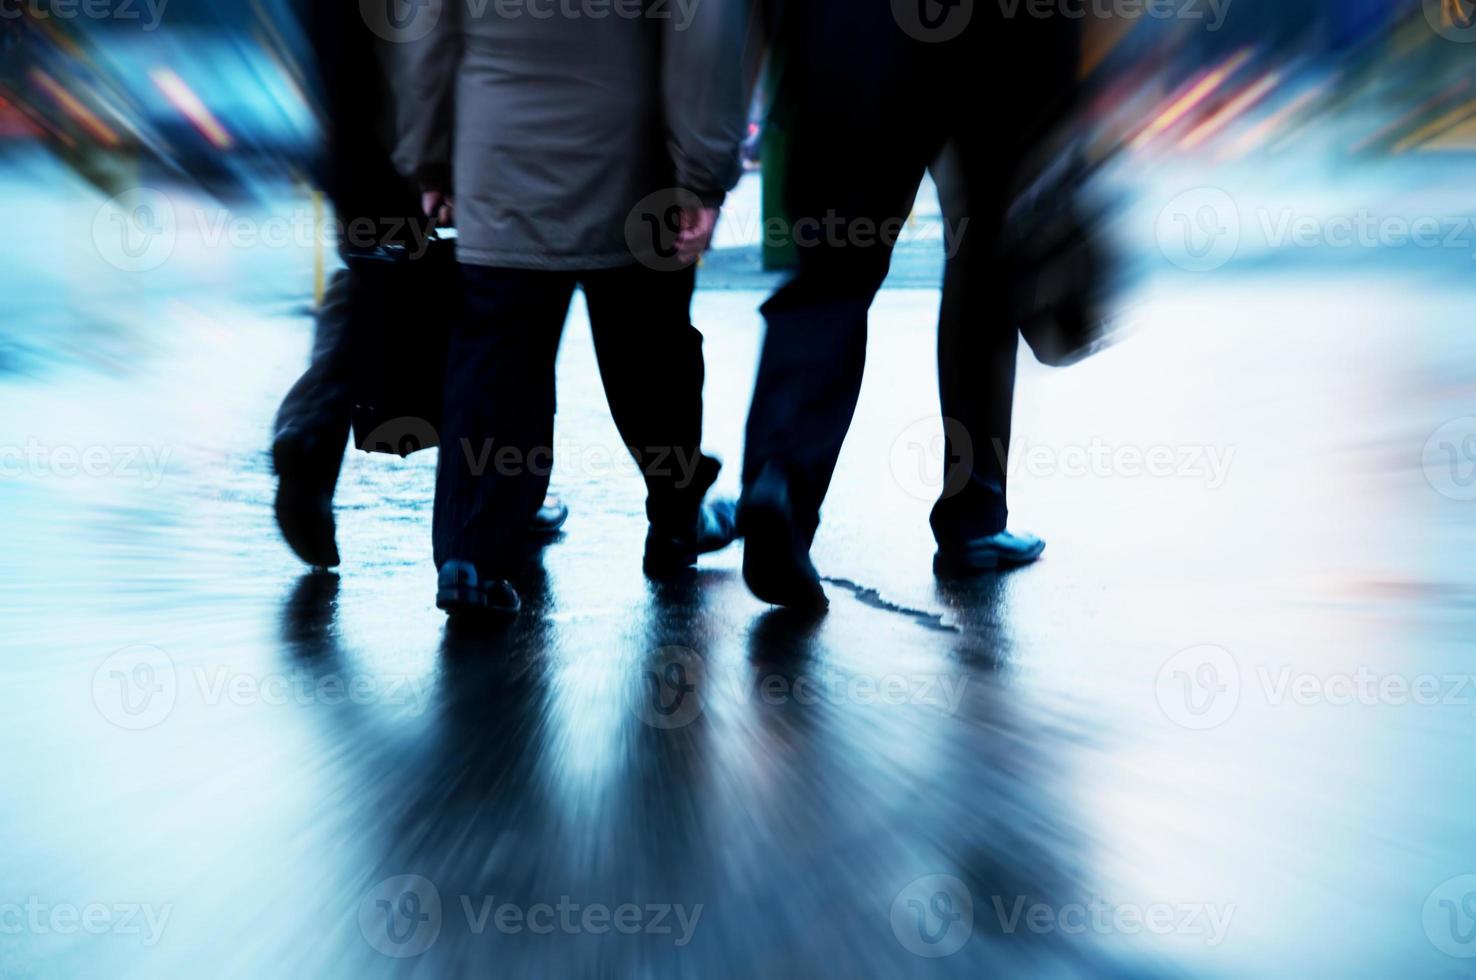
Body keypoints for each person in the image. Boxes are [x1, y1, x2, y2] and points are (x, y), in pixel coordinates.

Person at [400, 0, 757, 617]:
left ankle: (471, 557)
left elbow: (425, 32)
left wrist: (429, 156)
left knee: (494, 353)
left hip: (497, 155)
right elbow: (703, 33)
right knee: (651, 354)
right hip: (631, 157)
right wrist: (704, 172)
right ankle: (676, 521)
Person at [737, 0, 1080, 609]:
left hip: (852, 36)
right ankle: (974, 514)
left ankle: (780, 482)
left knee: (833, 271)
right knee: (985, 268)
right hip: (993, 41)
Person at [271, 0, 567, 570]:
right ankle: (503, 495)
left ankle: (312, 428)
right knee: (510, 299)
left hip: (351, 129)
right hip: (449, 122)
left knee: (374, 279)